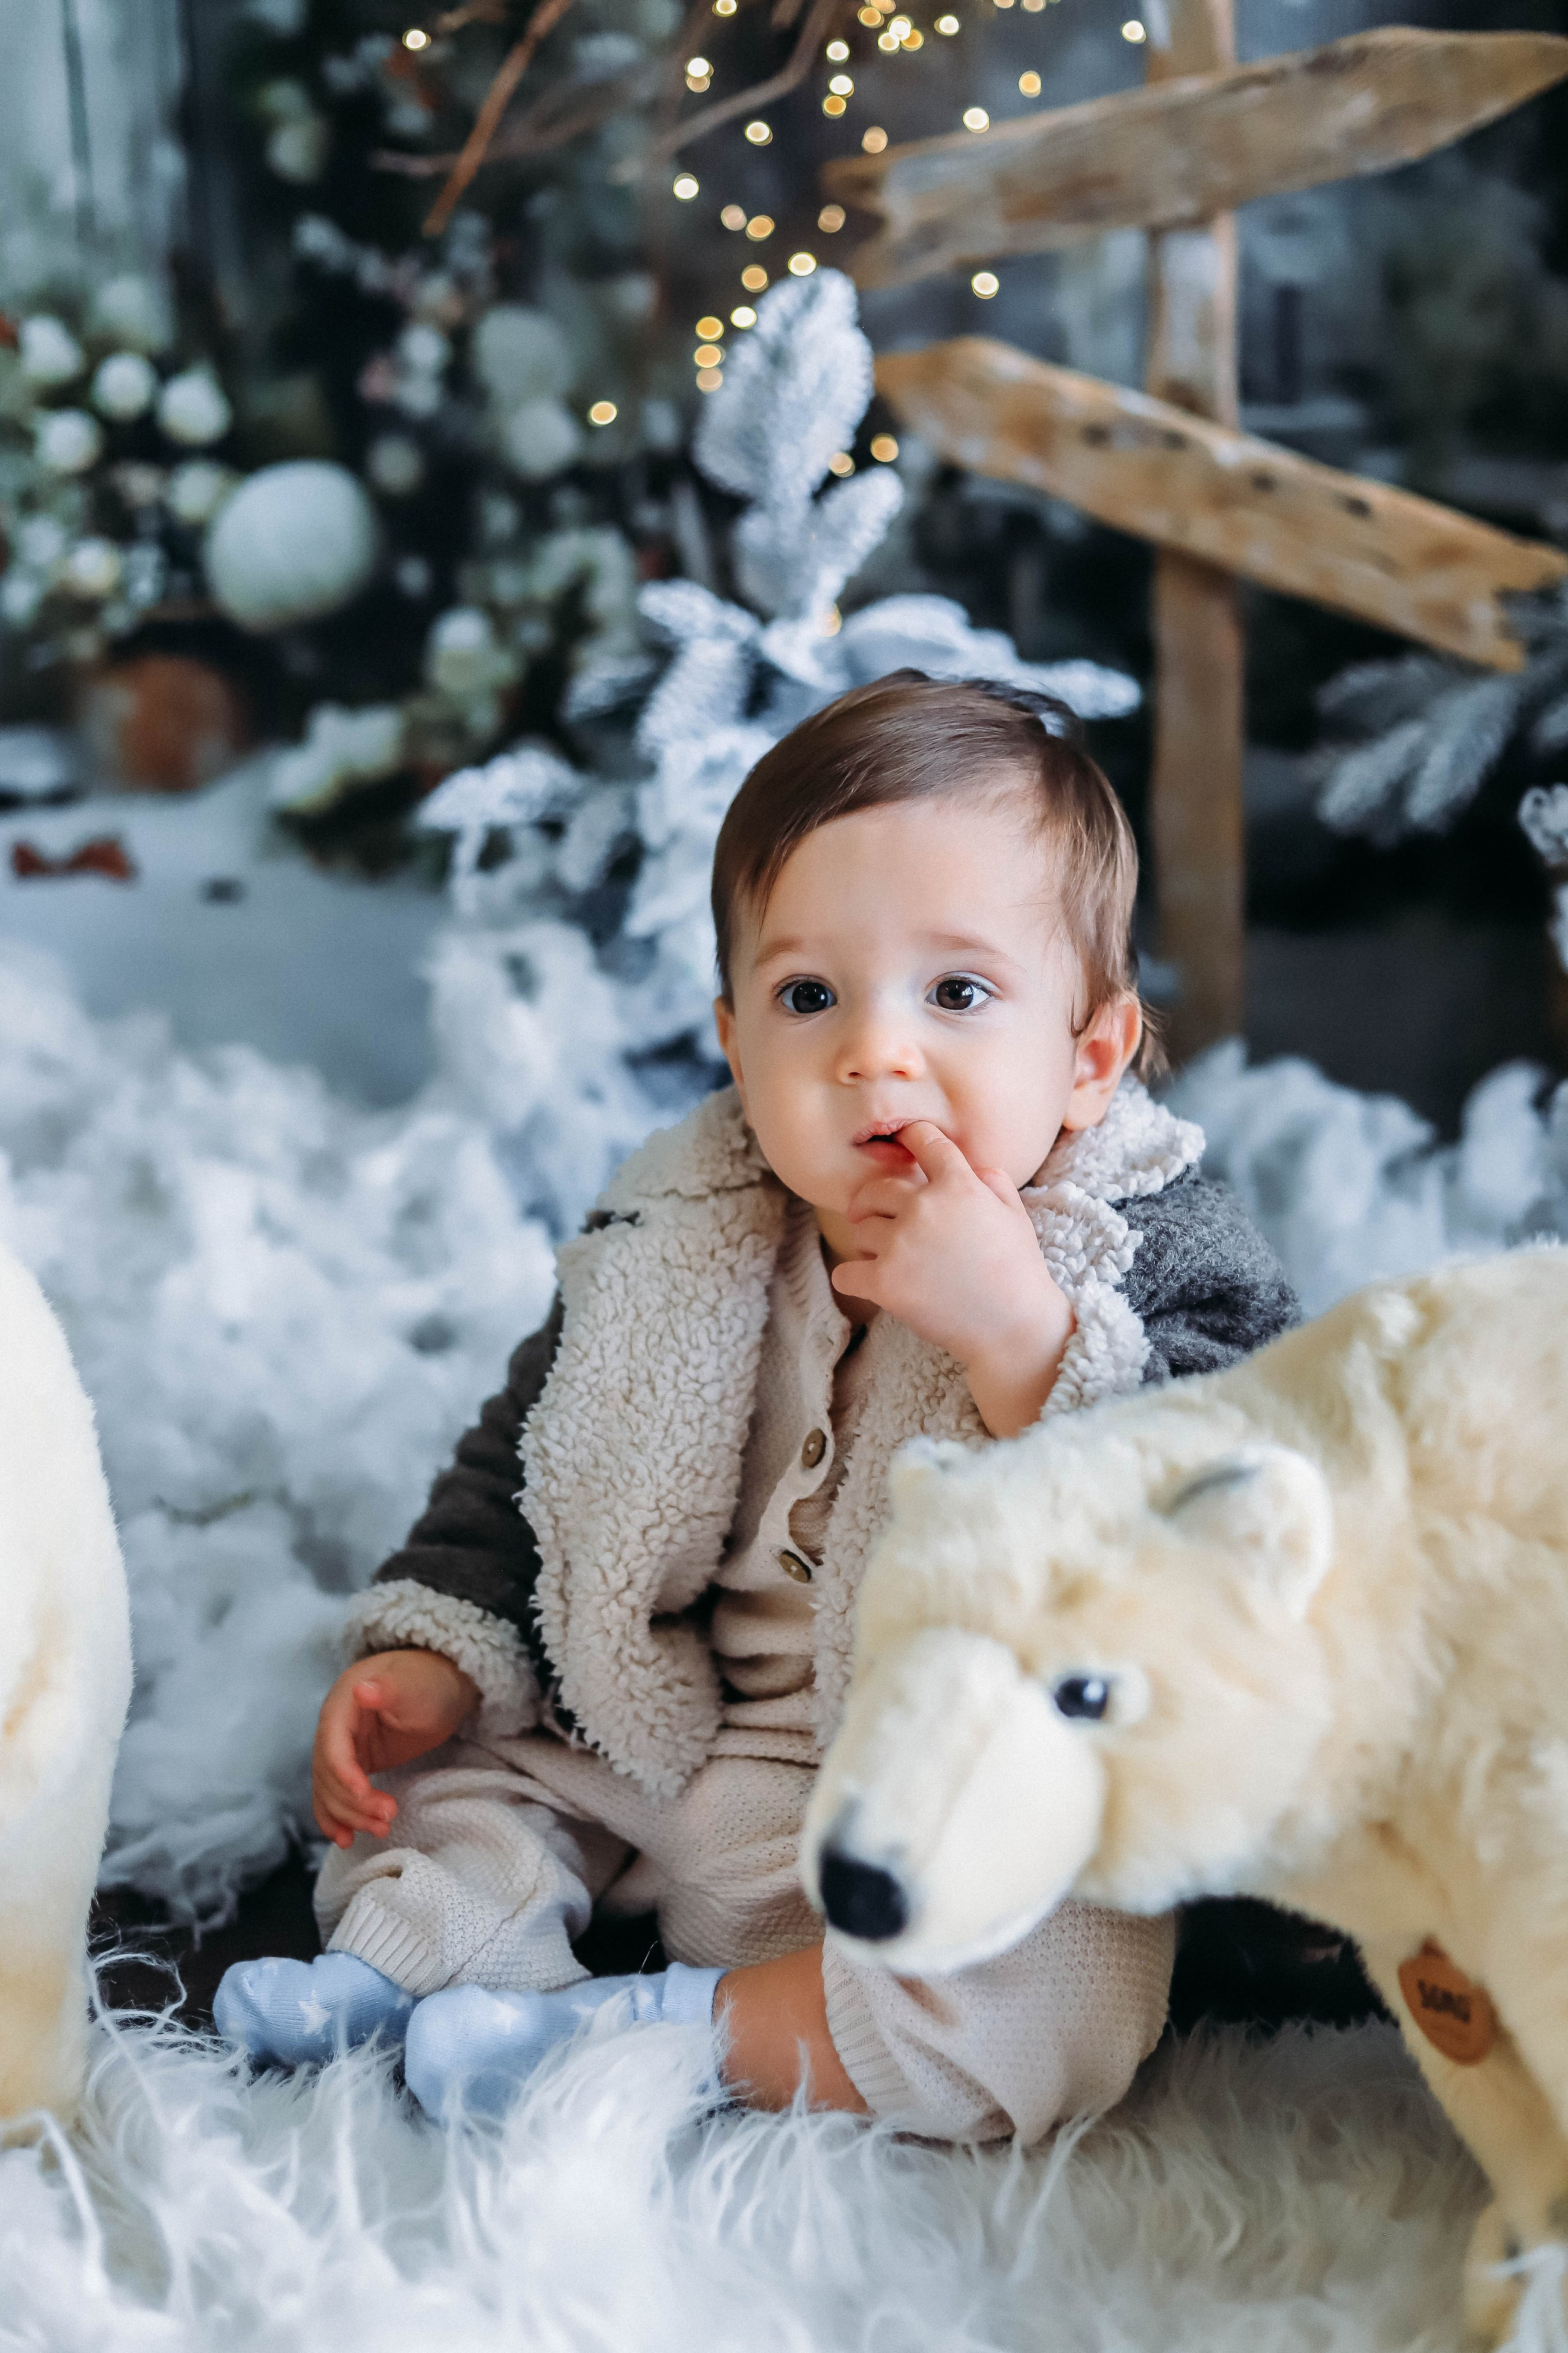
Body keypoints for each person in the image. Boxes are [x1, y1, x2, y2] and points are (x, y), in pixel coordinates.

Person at [216, 671, 1297, 2140]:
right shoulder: (685, 1224)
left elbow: (1240, 1500)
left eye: (958, 993)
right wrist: (439, 1646)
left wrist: (1027, 1340)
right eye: (808, 996)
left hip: (932, 1795)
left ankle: (644, 2033)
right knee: (446, 1780)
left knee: (1058, 1976)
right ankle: (400, 1973)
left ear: (1088, 1057)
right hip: (669, 1751)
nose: (874, 1052)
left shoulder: (1140, 1243)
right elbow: (530, 1458)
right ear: (735, 1040)